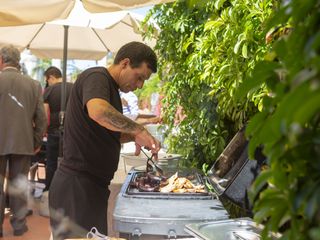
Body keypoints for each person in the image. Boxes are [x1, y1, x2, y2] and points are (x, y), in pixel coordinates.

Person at [49, 41, 161, 239]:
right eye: (139, 77)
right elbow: (99, 112)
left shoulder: (111, 89)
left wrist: (135, 136)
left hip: (91, 187)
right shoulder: (97, 76)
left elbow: (108, 132)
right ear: (125, 63)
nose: (140, 85)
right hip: (77, 187)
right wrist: (137, 129)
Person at [0, 45, 47, 237]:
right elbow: (41, 118)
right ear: (17, 61)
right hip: (24, 142)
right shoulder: (33, 84)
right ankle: (19, 226)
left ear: (2, 60)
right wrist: (35, 141)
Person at [43, 66, 73, 191]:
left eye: (47, 80)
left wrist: (43, 130)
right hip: (72, 132)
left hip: (54, 131)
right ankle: (67, 188)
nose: (47, 83)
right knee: (70, 162)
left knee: (51, 162)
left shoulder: (49, 90)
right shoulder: (73, 87)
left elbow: (45, 113)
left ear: (51, 77)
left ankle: (50, 187)